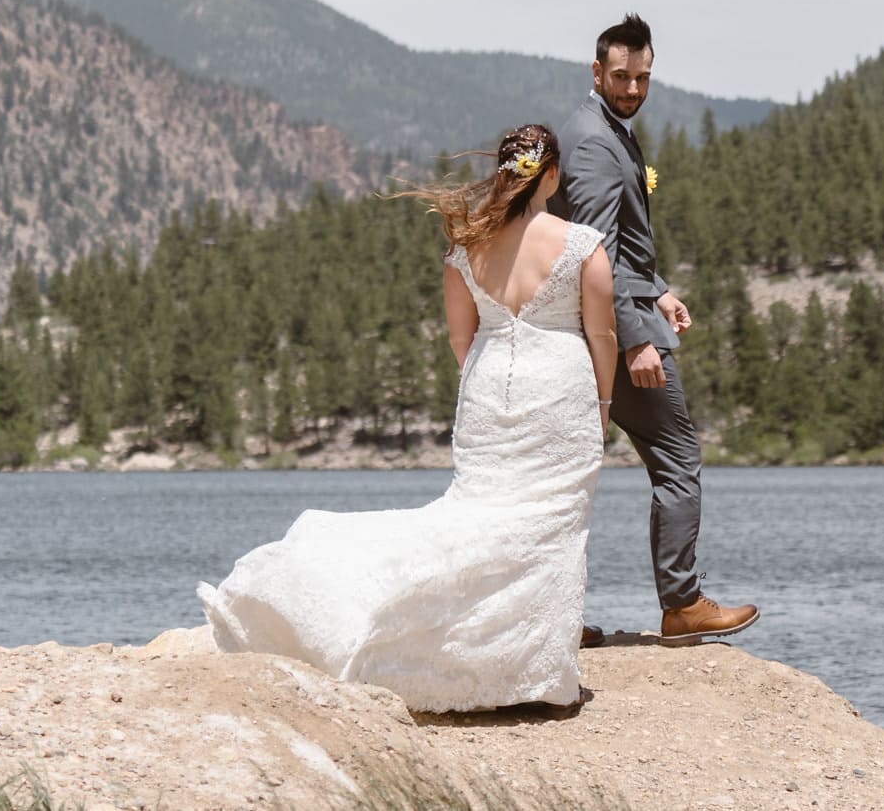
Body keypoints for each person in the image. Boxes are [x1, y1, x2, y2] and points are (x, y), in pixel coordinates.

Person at [197, 124, 616, 712]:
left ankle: (486, 657)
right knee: (547, 530)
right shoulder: (582, 245)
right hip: (561, 397)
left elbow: (459, 337)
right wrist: (603, 403)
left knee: (478, 516)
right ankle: (530, 670)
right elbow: (602, 332)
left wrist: (487, 384)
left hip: (490, 394)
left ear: (504, 173)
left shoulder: (467, 247)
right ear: (549, 176)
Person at [552, 14, 759, 645]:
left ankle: (551, 616)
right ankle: (683, 603)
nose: (633, 89)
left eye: (643, 78)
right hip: (614, 338)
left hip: (623, 318)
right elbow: (595, 253)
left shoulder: (607, 130)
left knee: (565, 476)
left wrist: (659, 288)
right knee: (678, 458)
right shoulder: (592, 141)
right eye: (621, 76)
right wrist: (636, 338)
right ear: (597, 72)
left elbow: (624, 249)